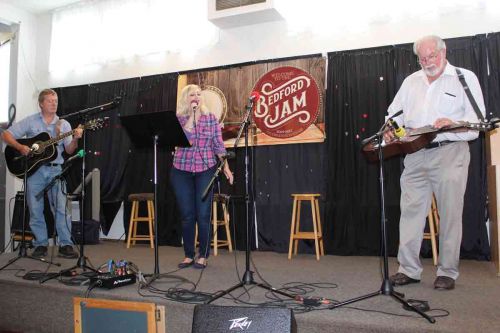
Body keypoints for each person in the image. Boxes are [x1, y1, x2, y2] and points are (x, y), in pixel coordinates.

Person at [384, 35, 486, 290]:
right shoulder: (410, 82)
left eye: (432, 56)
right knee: (409, 213)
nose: (427, 62)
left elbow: (478, 125)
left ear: (444, 52)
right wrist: (390, 129)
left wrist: (452, 124)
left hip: (450, 151)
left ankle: (447, 271)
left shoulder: (464, 78)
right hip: (415, 153)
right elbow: (393, 114)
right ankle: (408, 269)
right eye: (422, 58)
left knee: (450, 213)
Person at [2, 89, 82, 259]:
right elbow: (6, 135)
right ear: (41, 104)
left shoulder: (64, 125)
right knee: (35, 209)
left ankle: (65, 244)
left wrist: (75, 138)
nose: (54, 103)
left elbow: (69, 150)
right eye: (50, 101)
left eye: (56, 100)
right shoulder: (30, 121)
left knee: (61, 208)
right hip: (34, 171)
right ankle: (40, 244)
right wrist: (20, 147)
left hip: (56, 170)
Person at [170, 84, 234, 269]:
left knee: (203, 214)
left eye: (199, 94)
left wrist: (226, 169)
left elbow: (219, 146)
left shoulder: (211, 119)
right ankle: (189, 254)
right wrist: (192, 117)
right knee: (187, 215)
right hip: (181, 171)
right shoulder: (179, 119)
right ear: (185, 98)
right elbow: (183, 140)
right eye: (192, 95)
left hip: (205, 170)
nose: (196, 97)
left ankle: (203, 255)